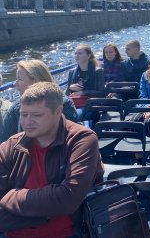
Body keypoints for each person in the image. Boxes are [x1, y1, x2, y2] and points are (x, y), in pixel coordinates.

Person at [0, 82, 104, 236]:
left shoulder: (81, 140)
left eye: (36, 115)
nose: (27, 122)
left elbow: (68, 197)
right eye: (23, 114)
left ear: (58, 111)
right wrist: (42, 215)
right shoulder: (12, 145)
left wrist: (10, 197)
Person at [1, 60, 77, 143]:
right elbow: (6, 143)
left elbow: (71, 140)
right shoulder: (15, 110)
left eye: (19, 79)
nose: (15, 84)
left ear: (35, 81)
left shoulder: (64, 105)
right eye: (24, 115)